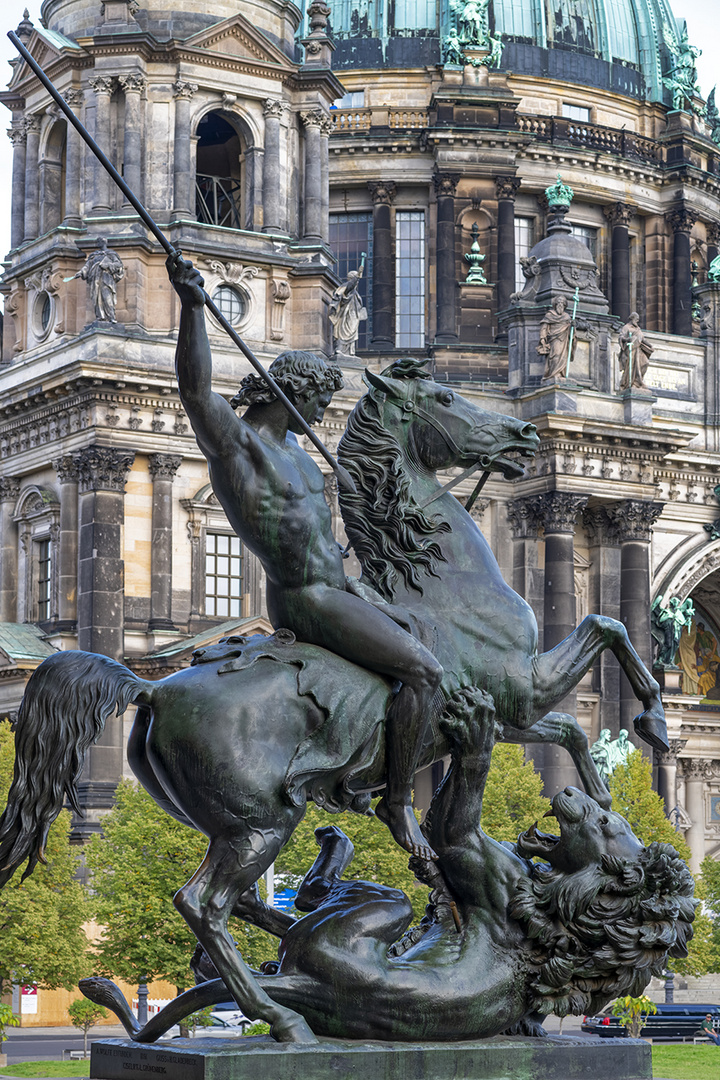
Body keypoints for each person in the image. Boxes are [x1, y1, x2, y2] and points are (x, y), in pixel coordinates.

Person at [166, 252, 443, 860]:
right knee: (424, 671)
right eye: (320, 399)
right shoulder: (241, 446)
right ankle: (399, 803)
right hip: (308, 599)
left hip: (337, 587)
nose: (324, 413)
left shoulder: (301, 452)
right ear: (294, 392)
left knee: (432, 637)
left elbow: (323, 536)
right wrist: (192, 309)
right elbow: (193, 390)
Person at [74, 237, 124, 323]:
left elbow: (118, 265)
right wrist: (81, 272)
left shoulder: (111, 254)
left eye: (99, 242)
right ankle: (100, 317)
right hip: (95, 279)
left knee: (107, 298)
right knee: (96, 298)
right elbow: (87, 266)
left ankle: (111, 317)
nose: (98, 243)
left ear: (104, 242)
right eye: (97, 242)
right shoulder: (94, 255)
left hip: (106, 279)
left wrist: (108, 265)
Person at [329, 260, 367, 357]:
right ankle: (339, 349)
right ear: (351, 279)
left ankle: (350, 352)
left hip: (353, 316)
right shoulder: (346, 288)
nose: (357, 283)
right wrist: (358, 274)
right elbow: (351, 285)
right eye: (355, 280)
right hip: (345, 316)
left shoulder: (355, 293)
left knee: (351, 332)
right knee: (343, 332)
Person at [537, 295, 574, 380]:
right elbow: (544, 327)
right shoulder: (549, 315)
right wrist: (542, 338)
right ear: (555, 304)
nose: (560, 305)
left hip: (564, 339)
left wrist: (573, 326)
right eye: (558, 303)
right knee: (555, 355)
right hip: (554, 339)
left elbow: (570, 330)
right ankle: (553, 374)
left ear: (565, 305)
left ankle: (560, 373)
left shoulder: (566, 316)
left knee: (563, 357)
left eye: (562, 303)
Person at [618, 312, 653, 391]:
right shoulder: (626, 327)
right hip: (631, 349)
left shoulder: (638, 329)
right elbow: (621, 337)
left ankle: (638, 382)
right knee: (632, 366)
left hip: (639, 349)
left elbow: (642, 339)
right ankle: (631, 383)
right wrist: (628, 339)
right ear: (632, 318)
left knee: (645, 363)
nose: (637, 321)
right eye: (636, 319)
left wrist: (650, 345)